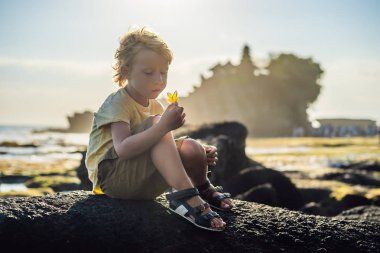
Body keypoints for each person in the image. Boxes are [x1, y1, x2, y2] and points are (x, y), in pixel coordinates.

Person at [85, 27, 233, 231]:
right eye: (149, 73)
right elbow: (124, 149)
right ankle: (187, 198)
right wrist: (163, 125)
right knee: (158, 125)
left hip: (142, 183)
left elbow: (160, 147)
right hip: (113, 180)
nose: (159, 80)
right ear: (126, 71)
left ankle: (202, 188)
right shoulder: (118, 103)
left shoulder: (155, 106)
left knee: (191, 146)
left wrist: (197, 154)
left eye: (164, 72)